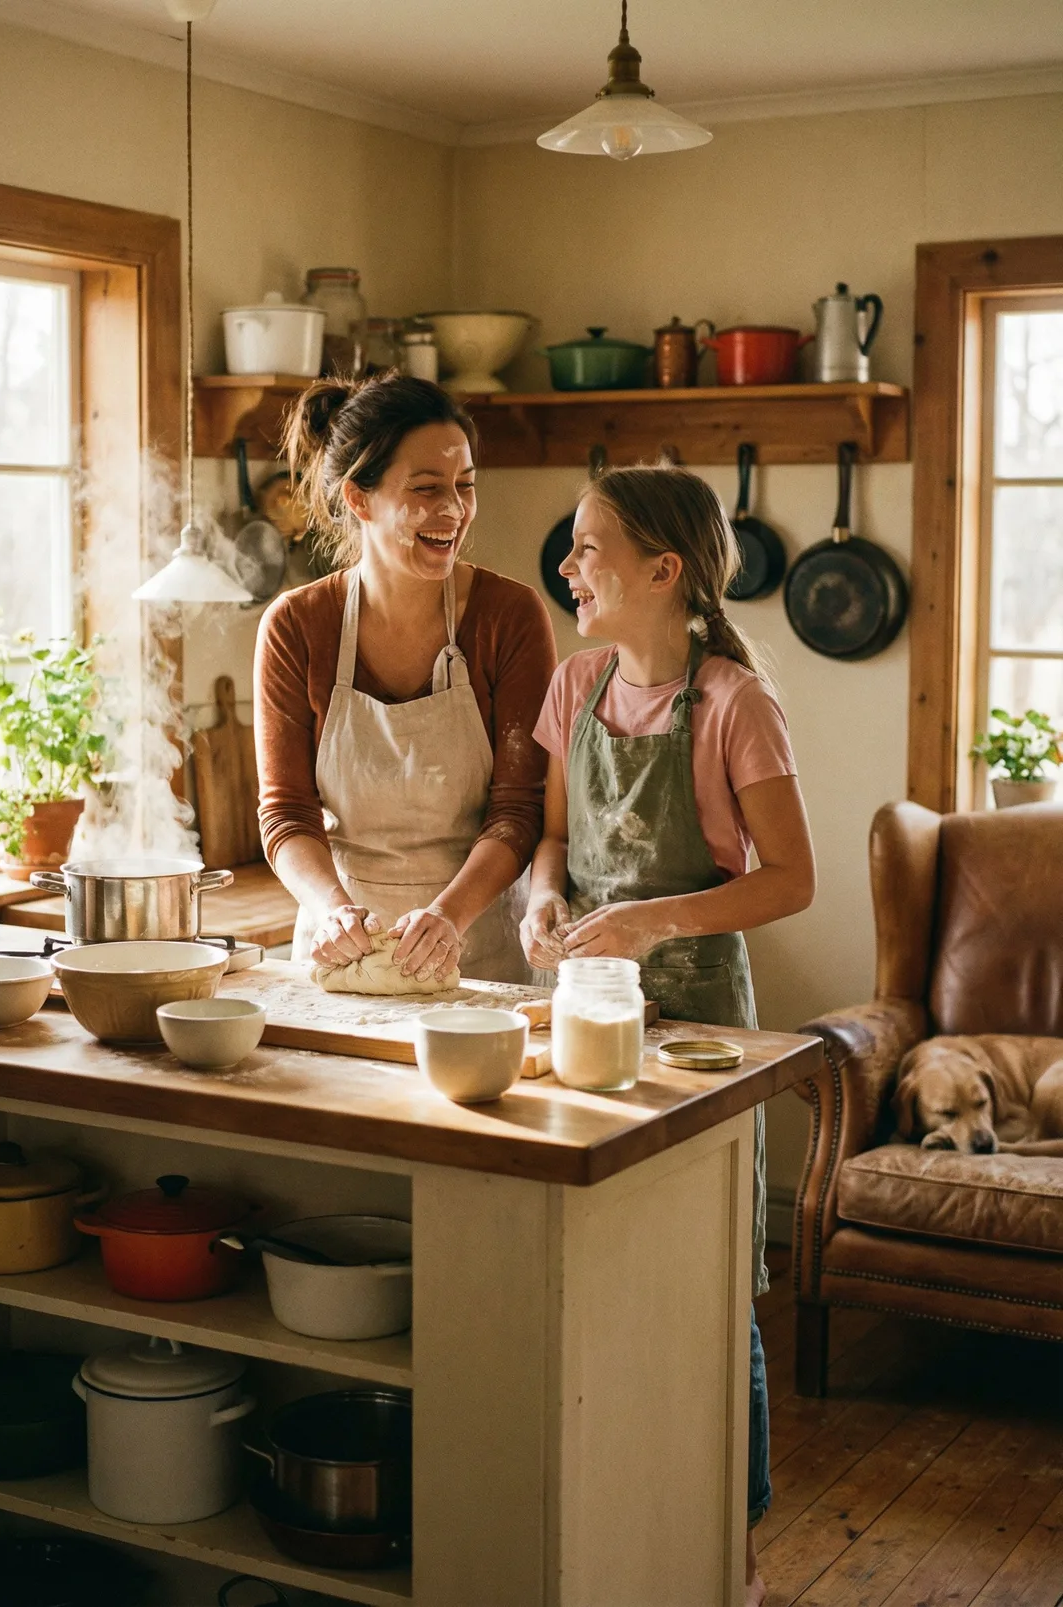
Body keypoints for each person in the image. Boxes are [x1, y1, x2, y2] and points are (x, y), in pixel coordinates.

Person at [520, 463, 816, 1607]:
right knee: (602, 1256)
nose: (567, 566)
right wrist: (542, 899)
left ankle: (730, 1544)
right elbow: (552, 839)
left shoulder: (736, 701)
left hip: (701, 1027)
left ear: (663, 569)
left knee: (713, 1284)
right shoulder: (575, 683)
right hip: (588, 1008)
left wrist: (653, 919)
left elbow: (790, 880)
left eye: (587, 547)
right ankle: (617, 1522)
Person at [255, 373, 556, 985]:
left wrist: (448, 916)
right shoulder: (297, 626)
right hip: (341, 952)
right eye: (426, 488)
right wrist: (333, 911)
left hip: (479, 952)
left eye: (464, 486)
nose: (454, 510)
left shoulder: (508, 617)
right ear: (359, 499)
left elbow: (519, 808)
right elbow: (286, 814)